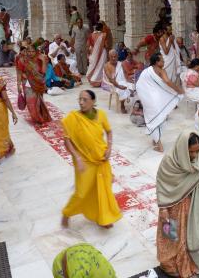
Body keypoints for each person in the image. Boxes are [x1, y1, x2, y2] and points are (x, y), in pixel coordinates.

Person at [156, 131, 199, 277]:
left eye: (197, 151)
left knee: (188, 237)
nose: (194, 155)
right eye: (190, 152)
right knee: (171, 236)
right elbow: (162, 183)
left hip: (192, 205)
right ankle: (169, 263)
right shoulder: (170, 162)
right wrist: (163, 208)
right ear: (182, 149)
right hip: (171, 206)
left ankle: (187, 262)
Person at [60, 90, 121, 229]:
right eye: (79, 99)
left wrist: (109, 147)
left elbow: (109, 131)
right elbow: (67, 140)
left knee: (102, 189)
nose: (81, 102)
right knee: (81, 192)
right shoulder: (73, 118)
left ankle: (103, 218)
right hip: (84, 161)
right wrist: (77, 158)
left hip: (101, 159)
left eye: (85, 99)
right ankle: (67, 213)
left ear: (93, 101)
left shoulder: (101, 115)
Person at [137, 53, 184, 152]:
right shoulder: (160, 70)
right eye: (162, 60)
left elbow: (139, 84)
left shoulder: (147, 70)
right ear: (157, 62)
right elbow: (167, 82)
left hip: (146, 98)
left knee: (153, 118)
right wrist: (178, 90)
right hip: (151, 98)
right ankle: (159, 146)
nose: (164, 61)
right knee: (157, 119)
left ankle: (156, 141)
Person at [16, 44, 52, 124]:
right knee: (30, 102)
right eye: (29, 51)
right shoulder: (22, 60)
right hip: (27, 83)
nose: (30, 53)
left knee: (38, 101)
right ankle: (37, 118)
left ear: (36, 52)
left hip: (38, 83)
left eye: (33, 51)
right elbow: (19, 73)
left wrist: (43, 61)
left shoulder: (40, 59)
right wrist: (18, 85)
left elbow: (43, 72)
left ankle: (40, 116)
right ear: (26, 51)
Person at [86, 23, 108, 87]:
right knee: (101, 67)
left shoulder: (91, 35)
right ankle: (100, 80)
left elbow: (88, 45)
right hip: (102, 53)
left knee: (94, 66)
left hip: (94, 53)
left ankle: (92, 80)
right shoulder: (104, 35)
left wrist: (89, 54)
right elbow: (106, 45)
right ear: (101, 28)